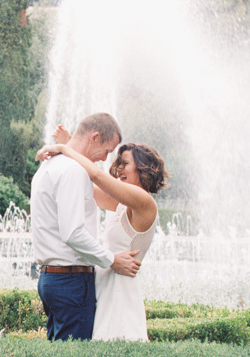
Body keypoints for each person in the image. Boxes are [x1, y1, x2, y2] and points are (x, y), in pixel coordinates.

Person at [36, 124, 170, 341]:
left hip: (120, 294)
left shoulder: (144, 202)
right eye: (118, 163)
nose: (118, 169)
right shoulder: (121, 203)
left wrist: (63, 148)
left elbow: (97, 176)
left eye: (125, 164)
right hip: (104, 290)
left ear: (143, 168)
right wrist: (74, 144)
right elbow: (87, 184)